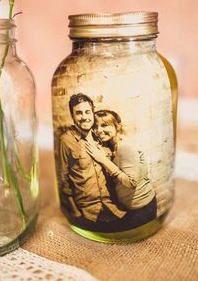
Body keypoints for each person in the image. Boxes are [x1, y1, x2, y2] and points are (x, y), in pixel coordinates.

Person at [59, 94, 125, 230]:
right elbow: (64, 179)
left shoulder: (101, 135)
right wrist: (75, 212)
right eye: (78, 113)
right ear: (72, 116)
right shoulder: (66, 141)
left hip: (113, 207)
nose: (84, 117)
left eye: (87, 112)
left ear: (93, 113)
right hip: (88, 212)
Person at [85, 110, 157, 229]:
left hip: (142, 208)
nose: (98, 130)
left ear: (118, 126)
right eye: (95, 126)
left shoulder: (125, 147)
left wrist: (103, 160)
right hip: (132, 207)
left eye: (104, 125)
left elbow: (131, 182)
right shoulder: (114, 144)